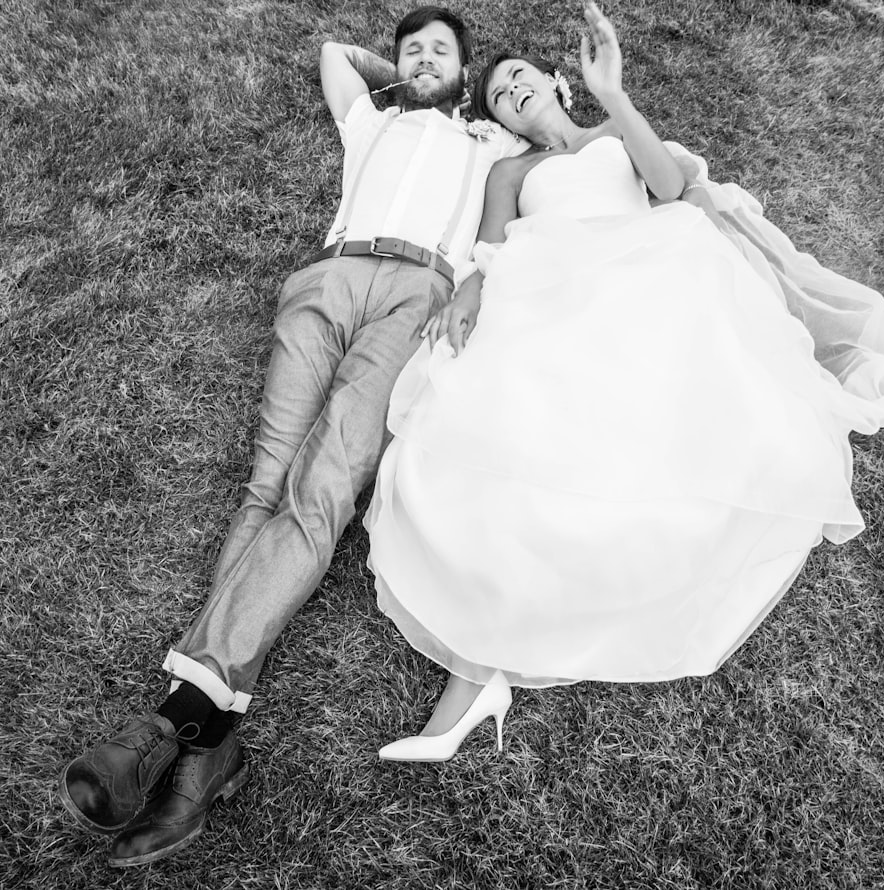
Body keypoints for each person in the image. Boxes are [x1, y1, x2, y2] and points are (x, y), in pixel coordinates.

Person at [365, 2, 884, 762]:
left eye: (520, 78)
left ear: (556, 79)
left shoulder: (612, 133)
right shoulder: (511, 170)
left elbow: (668, 189)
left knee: (629, 466)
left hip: (645, 284)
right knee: (509, 464)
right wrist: (471, 291)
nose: (512, 93)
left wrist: (616, 94)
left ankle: (480, 681)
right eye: (499, 95)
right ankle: (476, 682)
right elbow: (491, 249)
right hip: (550, 300)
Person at [57, 6, 530, 867]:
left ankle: (180, 721)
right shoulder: (372, 122)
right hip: (331, 273)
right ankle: (206, 745)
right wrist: (400, 72)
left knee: (324, 490)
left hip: (418, 294)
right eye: (412, 49)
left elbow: (542, 169)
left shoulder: (493, 150)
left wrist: (475, 90)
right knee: (264, 487)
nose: (425, 58)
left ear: (468, 73)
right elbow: (330, 56)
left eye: (443, 51)